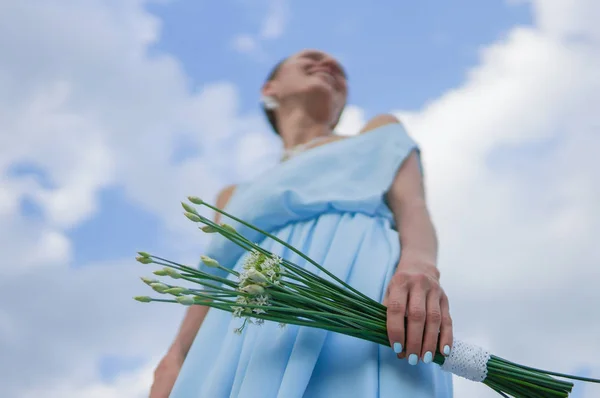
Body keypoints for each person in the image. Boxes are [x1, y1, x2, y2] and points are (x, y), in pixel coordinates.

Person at [151, 49, 454, 398]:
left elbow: (413, 207)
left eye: (339, 70)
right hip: (244, 324)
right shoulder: (231, 195)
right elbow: (214, 279)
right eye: (310, 59)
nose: (331, 65)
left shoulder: (379, 133)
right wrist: (175, 357)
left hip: (360, 305)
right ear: (270, 89)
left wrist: (420, 270)